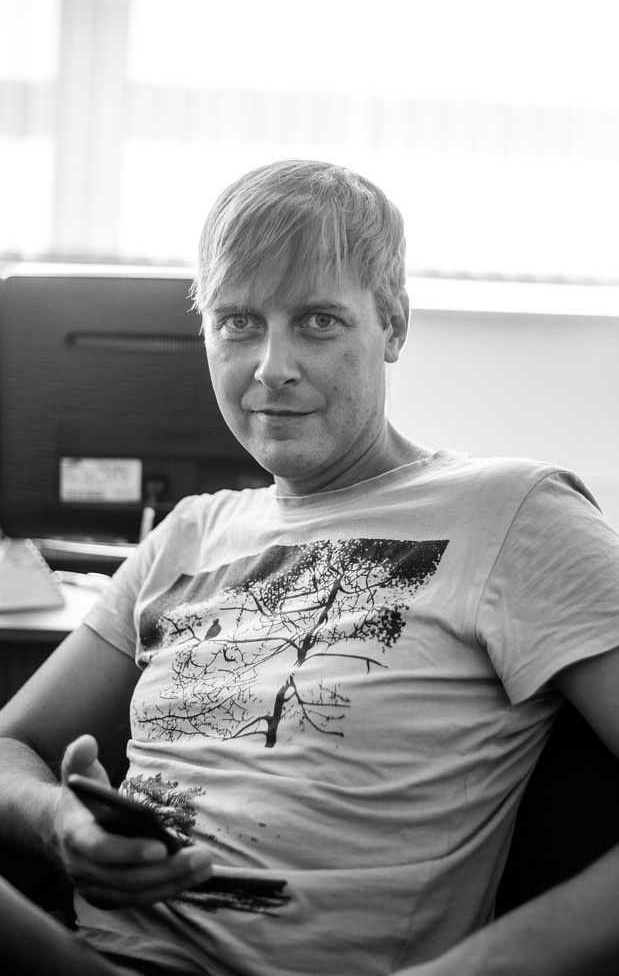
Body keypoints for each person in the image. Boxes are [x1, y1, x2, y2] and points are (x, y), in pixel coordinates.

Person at [0, 159, 618, 976]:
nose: (271, 367)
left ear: (392, 324)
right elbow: (9, 746)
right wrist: (58, 823)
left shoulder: (511, 510)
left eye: (318, 321)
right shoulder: (189, 534)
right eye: (237, 322)